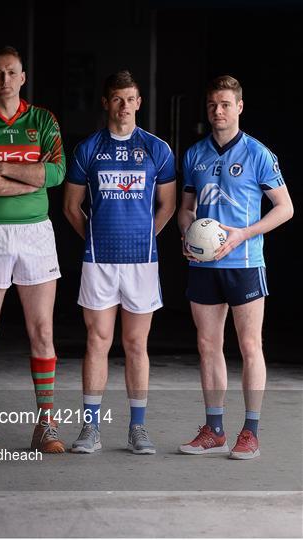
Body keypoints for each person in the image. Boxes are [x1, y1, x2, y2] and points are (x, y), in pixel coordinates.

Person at [0, 46, 66, 452]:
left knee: (43, 331)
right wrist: (29, 178)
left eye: (12, 72)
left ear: (23, 77)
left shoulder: (42, 119)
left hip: (36, 233)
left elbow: (56, 172)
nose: (5, 79)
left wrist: (2, 167)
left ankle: (46, 426)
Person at [178, 75, 294, 459]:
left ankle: (251, 432)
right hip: (204, 265)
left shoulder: (258, 154)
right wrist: (186, 235)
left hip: (244, 262)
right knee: (208, 345)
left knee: (249, 345)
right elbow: (186, 210)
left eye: (226, 104)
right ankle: (213, 430)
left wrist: (244, 234)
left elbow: (285, 208)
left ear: (239, 107)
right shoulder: (195, 154)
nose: (218, 111)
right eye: (213, 105)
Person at [63, 70, 176, 454]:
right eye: (117, 99)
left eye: (130, 99)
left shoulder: (157, 149)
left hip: (142, 263)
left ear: (139, 102)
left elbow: (168, 204)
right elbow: (71, 206)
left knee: (135, 343)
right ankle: (90, 430)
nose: (124, 106)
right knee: (96, 341)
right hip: (99, 262)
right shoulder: (88, 149)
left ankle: (138, 429)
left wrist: (143, 240)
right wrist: (96, 240)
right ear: (106, 102)